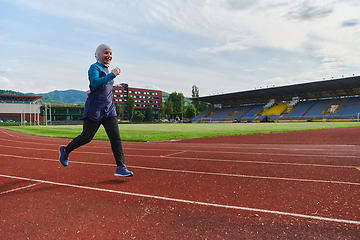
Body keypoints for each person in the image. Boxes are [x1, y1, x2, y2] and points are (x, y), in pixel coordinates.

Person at [59, 44, 133, 177]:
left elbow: (103, 88)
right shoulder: (94, 67)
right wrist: (112, 75)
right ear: (99, 54)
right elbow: (95, 83)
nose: (109, 56)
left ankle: (121, 166)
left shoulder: (106, 69)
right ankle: (66, 150)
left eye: (110, 54)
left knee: (115, 138)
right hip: (95, 109)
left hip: (109, 109)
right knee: (87, 137)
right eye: (106, 53)